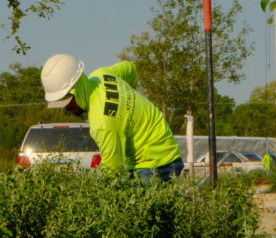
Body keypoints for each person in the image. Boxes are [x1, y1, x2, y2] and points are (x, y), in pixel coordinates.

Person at [41, 54, 184, 182]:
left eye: (67, 101)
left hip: (155, 163)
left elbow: (112, 170)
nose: (66, 108)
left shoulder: (102, 121)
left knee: (135, 210)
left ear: (76, 90)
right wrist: (129, 105)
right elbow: (130, 68)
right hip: (162, 150)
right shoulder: (101, 75)